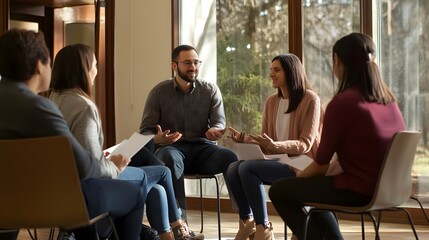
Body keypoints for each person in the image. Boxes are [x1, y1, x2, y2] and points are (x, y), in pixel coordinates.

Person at [0, 29, 144, 240]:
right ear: (40, 66)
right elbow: (84, 167)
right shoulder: (40, 108)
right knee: (134, 195)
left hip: (6, 201)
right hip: (52, 202)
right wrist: (113, 167)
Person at [49, 44, 201, 240]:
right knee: (162, 172)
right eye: (95, 65)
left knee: (154, 181)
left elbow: (76, 150)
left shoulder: (52, 100)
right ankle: (176, 229)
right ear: (84, 69)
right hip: (89, 184)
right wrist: (114, 166)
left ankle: (166, 233)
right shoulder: (83, 107)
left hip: (60, 184)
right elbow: (90, 166)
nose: (97, 70)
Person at [268, 32, 406, 240]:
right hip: (391, 190)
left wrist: (299, 177)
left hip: (359, 190)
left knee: (279, 190)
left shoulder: (343, 103)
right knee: (317, 192)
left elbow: (321, 164)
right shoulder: (389, 102)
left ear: (338, 61)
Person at [226, 54, 323, 240]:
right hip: (278, 159)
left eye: (276, 70)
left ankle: (264, 227)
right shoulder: (272, 102)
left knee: (247, 168)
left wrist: (274, 145)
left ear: (291, 72)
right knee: (232, 168)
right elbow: (267, 143)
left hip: (301, 164)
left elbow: (305, 144)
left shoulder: (311, 99)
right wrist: (245, 140)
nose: (271, 74)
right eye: (271, 70)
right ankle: (248, 222)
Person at [139, 44, 239, 221]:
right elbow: (145, 131)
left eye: (196, 62)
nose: (193, 67)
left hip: (204, 151)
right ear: (174, 65)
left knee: (229, 157)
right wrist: (159, 138)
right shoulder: (158, 93)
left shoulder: (210, 90)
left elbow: (218, 121)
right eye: (187, 63)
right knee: (169, 157)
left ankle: (246, 217)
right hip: (172, 149)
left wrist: (214, 130)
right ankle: (179, 222)